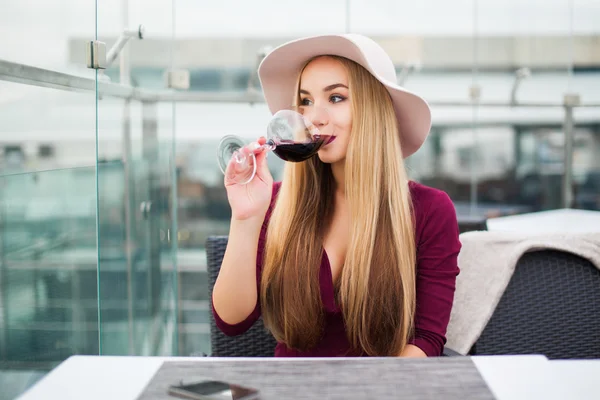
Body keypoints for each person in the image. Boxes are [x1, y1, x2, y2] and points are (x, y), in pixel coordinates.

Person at [212, 34, 461, 357]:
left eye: (337, 98)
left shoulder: (430, 210)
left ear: (373, 109)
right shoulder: (276, 203)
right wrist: (246, 218)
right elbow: (232, 321)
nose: (315, 117)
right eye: (305, 101)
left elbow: (426, 340)